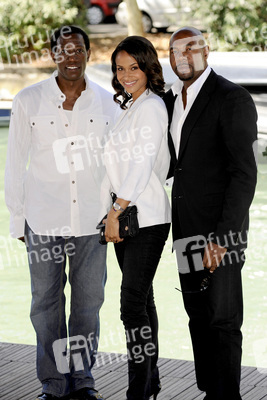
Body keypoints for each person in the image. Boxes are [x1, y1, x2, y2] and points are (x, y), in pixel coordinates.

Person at [5, 25, 117, 400]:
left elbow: (115, 162)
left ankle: (82, 381)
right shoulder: (28, 100)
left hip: (91, 221)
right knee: (46, 305)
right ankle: (53, 385)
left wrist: (116, 210)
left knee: (88, 304)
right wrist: (17, 218)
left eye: (79, 50)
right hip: (42, 219)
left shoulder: (106, 102)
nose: (72, 57)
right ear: (53, 54)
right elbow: (14, 164)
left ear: (88, 53)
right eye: (64, 50)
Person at [164, 27, 258, 399]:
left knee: (223, 319)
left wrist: (222, 238)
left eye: (191, 48)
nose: (183, 56)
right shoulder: (172, 100)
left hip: (222, 233)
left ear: (206, 51)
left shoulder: (232, 98)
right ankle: (209, 391)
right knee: (198, 317)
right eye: (175, 50)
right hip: (185, 230)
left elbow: (244, 173)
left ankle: (226, 396)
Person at [99, 36, 171, 400]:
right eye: (120, 68)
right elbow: (113, 166)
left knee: (131, 306)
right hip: (126, 215)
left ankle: (137, 393)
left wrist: (115, 212)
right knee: (144, 301)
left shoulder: (152, 107)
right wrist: (108, 211)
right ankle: (151, 382)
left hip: (147, 216)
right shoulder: (127, 106)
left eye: (134, 67)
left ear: (148, 68)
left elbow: (142, 168)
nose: (126, 75)